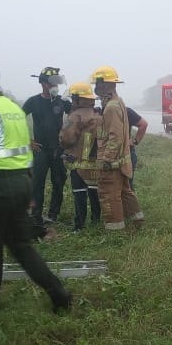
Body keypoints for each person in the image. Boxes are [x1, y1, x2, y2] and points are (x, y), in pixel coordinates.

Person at [0, 60, 72, 313]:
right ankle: (58, 293)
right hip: (20, 184)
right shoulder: (13, 109)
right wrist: (28, 191)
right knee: (22, 247)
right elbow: (25, 152)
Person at [90, 65, 144, 231]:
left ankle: (116, 232)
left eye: (98, 84)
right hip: (121, 161)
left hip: (112, 162)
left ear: (106, 84)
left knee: (109, 195)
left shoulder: (112, 107)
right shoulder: (117, 102)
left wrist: (106, 159)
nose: (95, 88)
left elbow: (115, 137)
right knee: (124, 192)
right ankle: (138, 222)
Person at [22, 66, 71, 228]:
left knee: (59, 181)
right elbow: (16, 120)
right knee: (38, 183)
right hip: (40, 149)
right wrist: (28, 141)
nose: (56, 87)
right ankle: (36, 216)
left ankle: (53, 215)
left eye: (58, 83)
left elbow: (78, 115)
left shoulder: (62, 102)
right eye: (53, 83)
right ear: (43, 83)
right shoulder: (33, 101)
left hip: (58, 149)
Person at [60, 81, 102, 231]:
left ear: (78, 99)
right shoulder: (98, 115)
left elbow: (66, 139)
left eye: (73, 98)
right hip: (95, 163)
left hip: (78, 164)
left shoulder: (75, 116)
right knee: (94, 193)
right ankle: (96, 221)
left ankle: (79, 226)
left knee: (79, 194)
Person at [126, 106, 149, 190]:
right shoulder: (102, 111)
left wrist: (134, 142)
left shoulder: (126, 111)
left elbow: (143, 124)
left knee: (127, 187)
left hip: (127, 155)